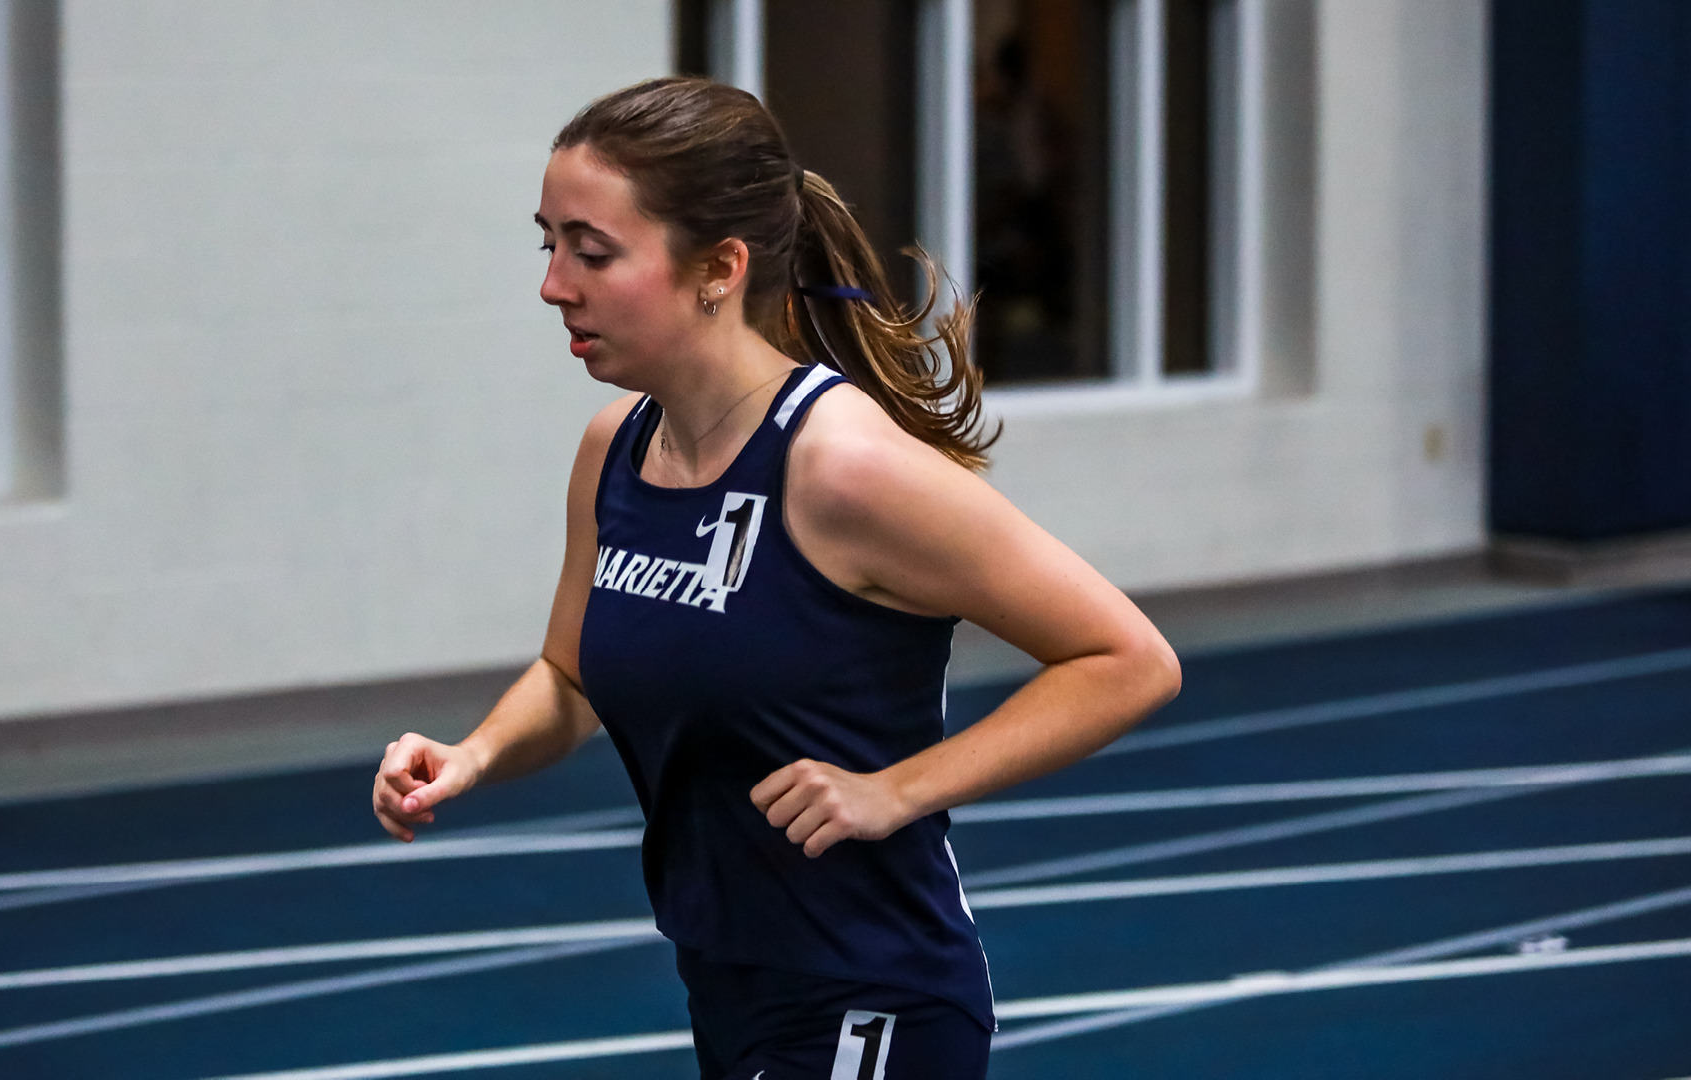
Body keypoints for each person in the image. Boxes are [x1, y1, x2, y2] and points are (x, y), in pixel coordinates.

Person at [373, 76, 1181, 1080]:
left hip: (871, 999)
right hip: (726, 985)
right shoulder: (615, 451)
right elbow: (572, 674)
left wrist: (896, 790)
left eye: (593, 252)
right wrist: (474, 754)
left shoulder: (844, 467)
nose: (555, 286)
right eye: (549, 246)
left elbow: (1127, 658)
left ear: (719, 267)